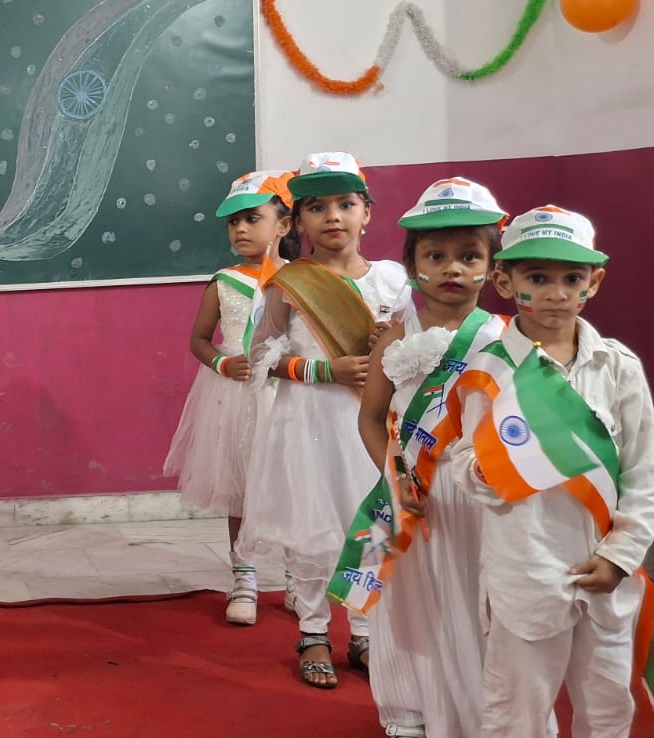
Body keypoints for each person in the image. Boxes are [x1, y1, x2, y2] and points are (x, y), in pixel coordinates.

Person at [448, 206, 654, 737]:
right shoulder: (489, 370)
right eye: (537, 278)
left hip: (606, 572)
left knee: (608, 707)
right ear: (504, 282)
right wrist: (491, 471)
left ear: (594, 282)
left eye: (572, 279)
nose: (557, 294)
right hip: (527, 566)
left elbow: (644, 471)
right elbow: (464, 461)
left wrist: (622, 554)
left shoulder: (618, 367)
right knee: (517, 707)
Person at [240, 152, 413, 688]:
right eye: (317, 207)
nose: (333, 216)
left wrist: (390, 353)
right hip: (308, 422)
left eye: (346, 204)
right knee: (312, 528)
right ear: (298, 223)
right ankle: (313, 631)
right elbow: (260, 357)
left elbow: (417, 351)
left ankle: (364, 632)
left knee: (370, 523)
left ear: (367, 213)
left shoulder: (394, 281)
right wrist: (322, 369)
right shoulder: (289, 283)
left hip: (371, 425)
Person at [350, 179, 508, 737]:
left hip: (478, 500)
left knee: (471, 602)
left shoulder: (505, 337)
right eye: (435, 256)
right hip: (410, 494)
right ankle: (409, 711)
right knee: (411, 602)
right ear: (412, 266)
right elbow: (371, 417)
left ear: (493, 267)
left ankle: (475, 714)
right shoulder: (396, 334)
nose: (452, 269)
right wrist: (394, 477)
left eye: (469, 256)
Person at [164, 170, 298, 625]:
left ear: (283, 225)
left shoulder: (304, 280)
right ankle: (244, 577)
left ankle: (298, 578)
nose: (240, 229)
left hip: (288, 396)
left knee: (294, 486)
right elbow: (199, 339)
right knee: (239, 488)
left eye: (252, 219)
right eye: (233, 222)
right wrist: (223, 363)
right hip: (237, 399)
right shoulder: (223, 282)